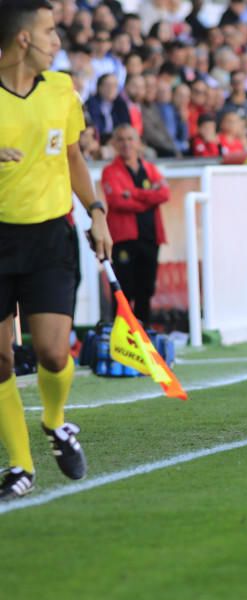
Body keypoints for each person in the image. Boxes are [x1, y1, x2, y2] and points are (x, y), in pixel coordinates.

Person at [0, 0, 113, 500]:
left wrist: (97, 211)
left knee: (50, 350)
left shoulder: (63, 89)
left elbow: (74, 157)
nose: (58, 40)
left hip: (50, 236)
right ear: (23, 38)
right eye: (50, 31)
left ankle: (55, 421)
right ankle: (20, 467)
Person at [101, 124, 171, 325]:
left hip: (149, 237)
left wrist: (133, 193)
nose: (126, 144)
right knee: (123, 290)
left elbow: (164, 194)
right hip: (124, 239)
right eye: (121, 139)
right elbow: (116, 201)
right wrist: (149, 198)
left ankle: (145, 335)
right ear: (114, 144)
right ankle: (121, 334)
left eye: (130, 139)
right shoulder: (110, 171)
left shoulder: (150, 169)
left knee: (146, 289)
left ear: (139, 142)